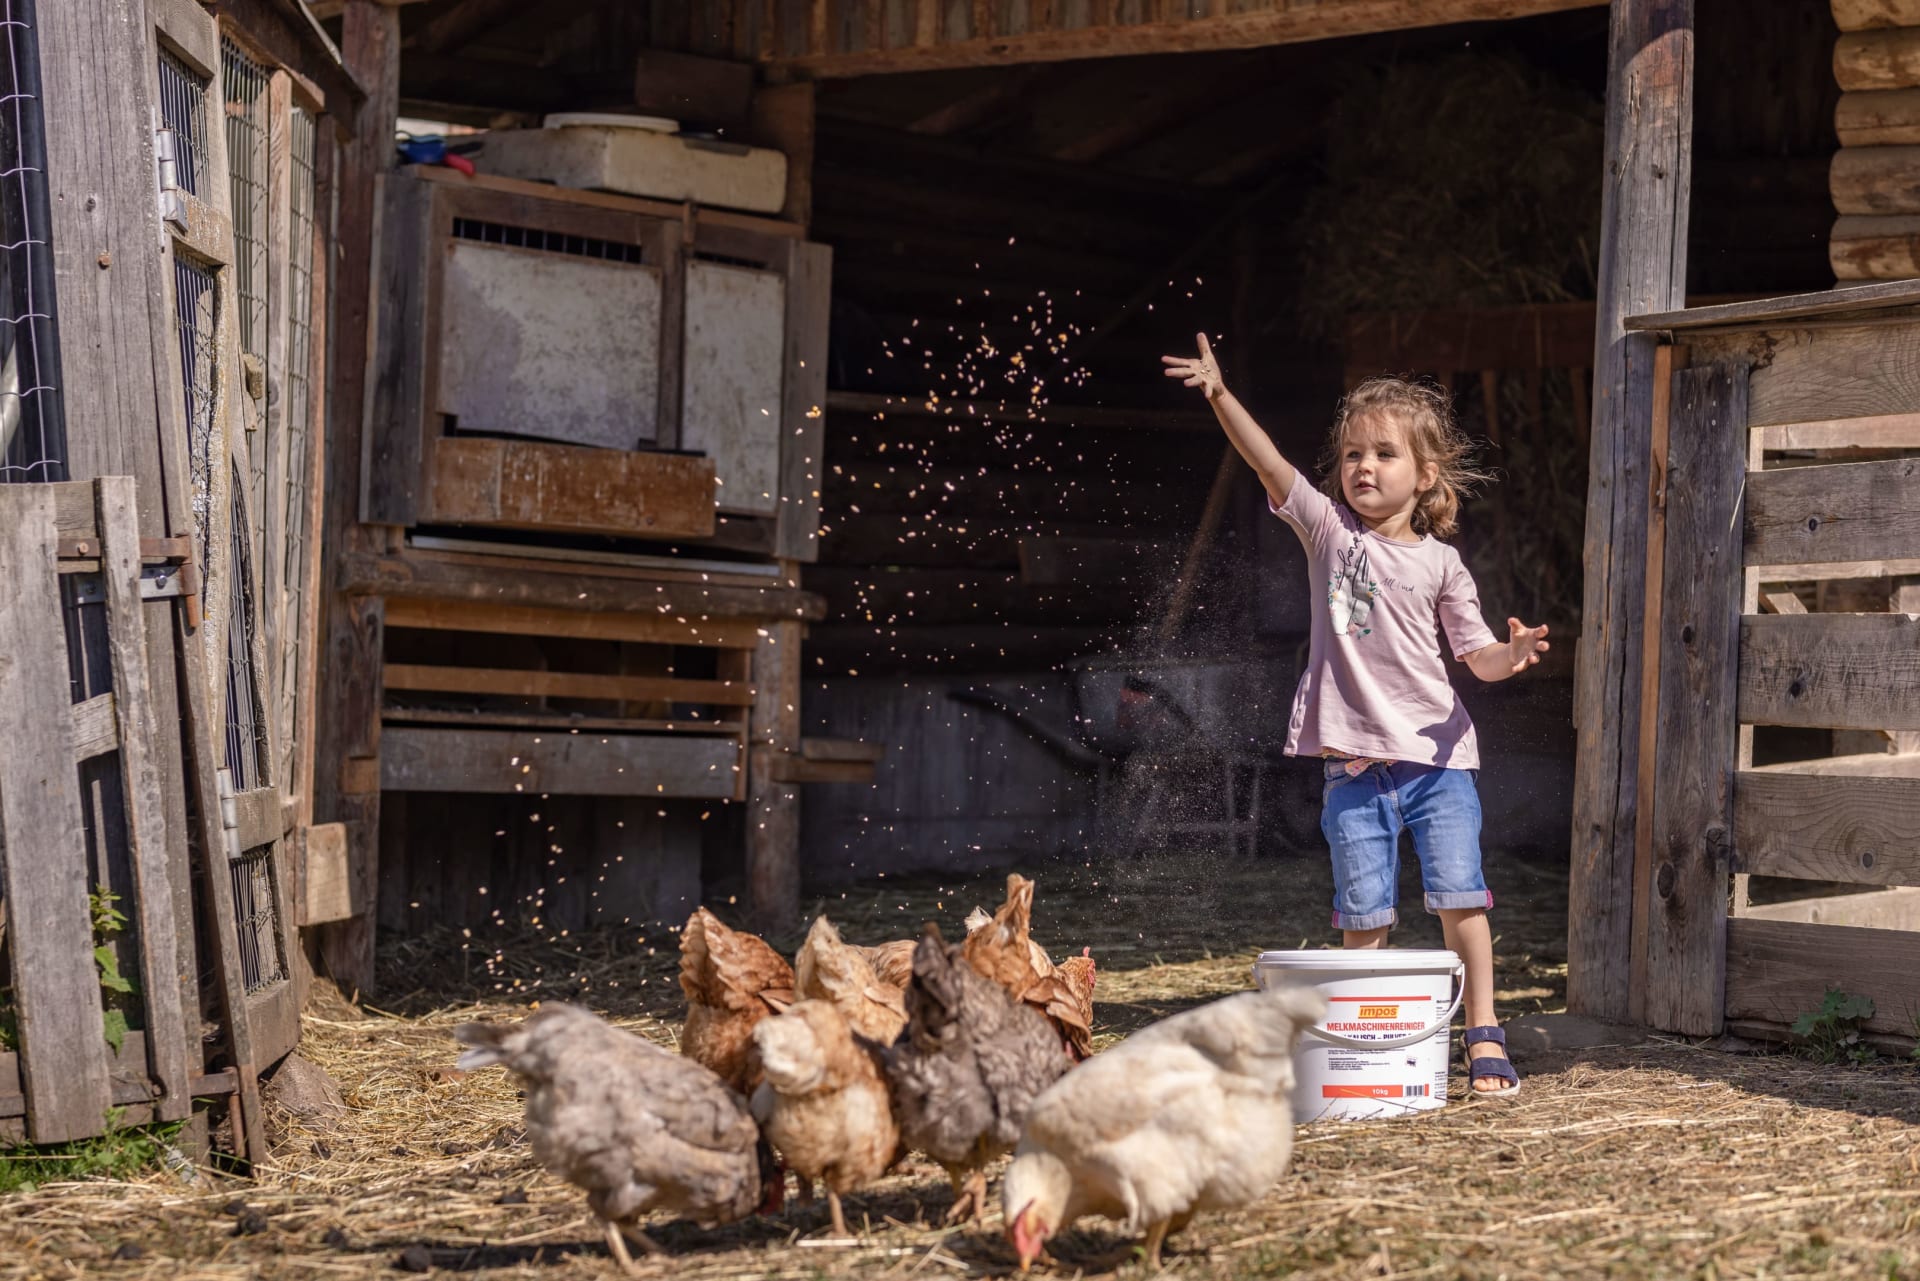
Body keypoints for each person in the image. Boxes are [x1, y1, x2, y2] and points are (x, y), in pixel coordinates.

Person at [1161, 333, 1548, 1097]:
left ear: (1425, 475)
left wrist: (1513, 654)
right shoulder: (1329, 534)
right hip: (1354, 770)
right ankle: (1365, 1046)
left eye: (1384, 453)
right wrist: (1220, 394)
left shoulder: (1442, 562)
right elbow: (1268, 462)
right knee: (1363, 914)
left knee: (1460, 898)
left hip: (1439, 764)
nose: (1364, 466)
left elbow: (1476, 656)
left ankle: (1482, 1028)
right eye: (1351, 454)